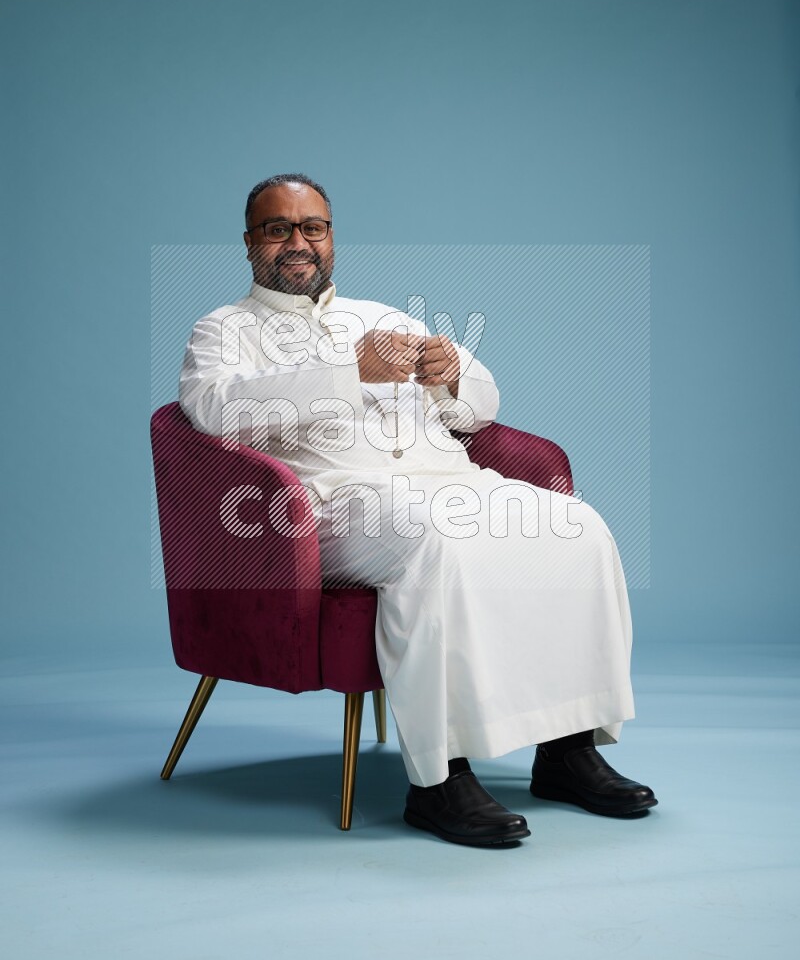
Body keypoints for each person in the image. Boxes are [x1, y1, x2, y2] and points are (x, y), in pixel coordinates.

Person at [178, 172, 657, 847]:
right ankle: (439, 780)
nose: (297, 241)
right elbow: (216, 412)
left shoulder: (384, 316)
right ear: (249, 242)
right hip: (333, 506)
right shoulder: (222, 330)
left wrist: (453, 370)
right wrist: (352, 373)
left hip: (449, 480)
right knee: (437, 542)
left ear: (331, 238)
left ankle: (568, 749)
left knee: (578, 527)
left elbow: (482, 406)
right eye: (278, 228)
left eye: (312, 226)